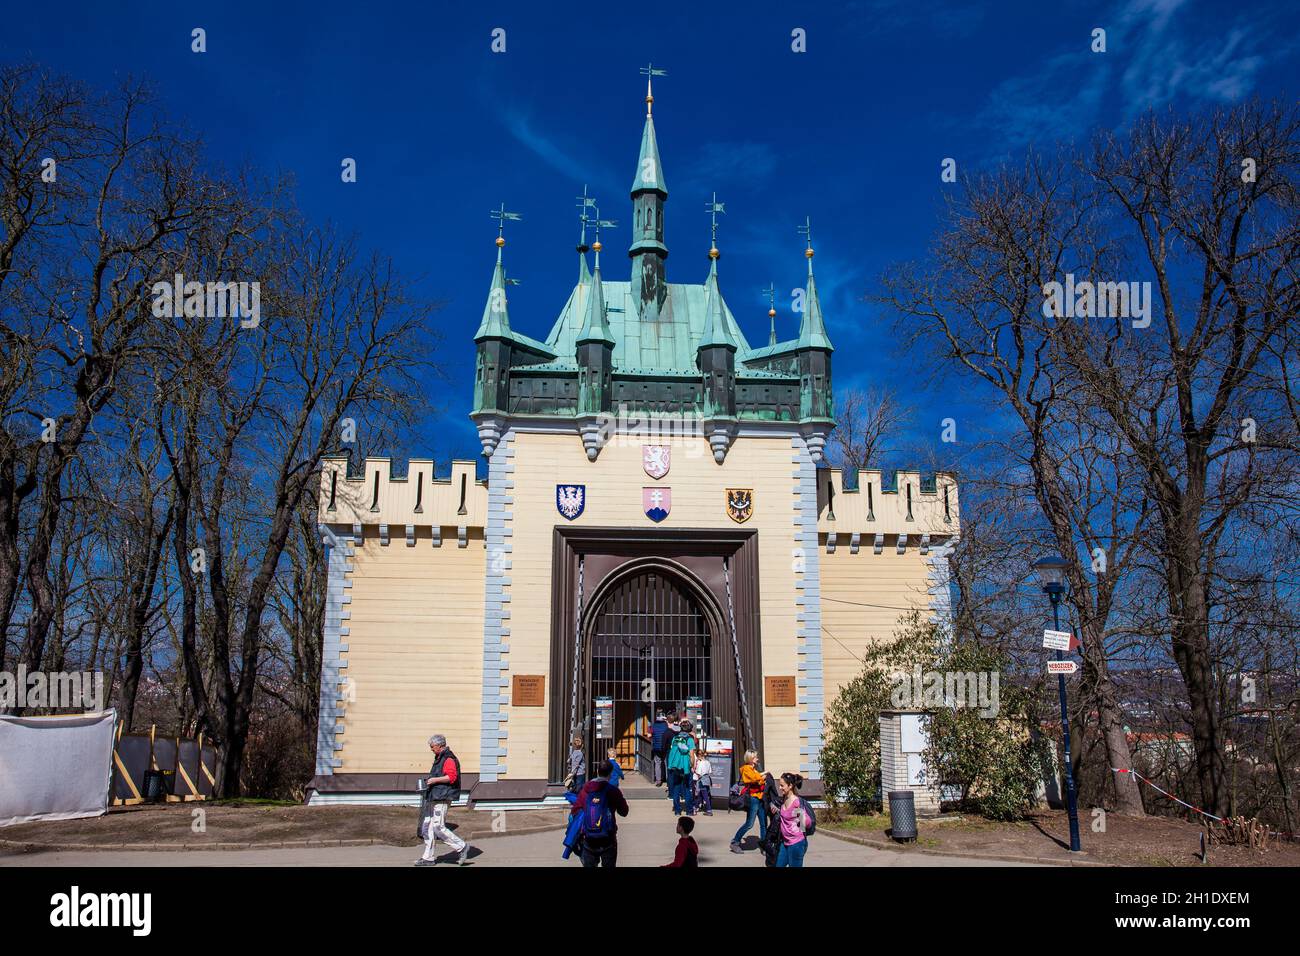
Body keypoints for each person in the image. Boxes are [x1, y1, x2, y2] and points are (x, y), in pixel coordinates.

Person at [415, 734, 470, 866]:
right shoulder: (439, 758)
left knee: (438, 827)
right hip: (434, 796)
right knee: (426, 826)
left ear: (440, 745)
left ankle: (462, 847)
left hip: (443, 797)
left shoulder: (448, 758)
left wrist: (434, 780)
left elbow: (451, 777)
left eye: (432, 747)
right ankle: (428, 858)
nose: (431, 749)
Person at [571, 759, 630, 867]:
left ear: (597, 771)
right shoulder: (612, 790)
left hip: (589, 837)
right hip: (608, 837)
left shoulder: (586, 789)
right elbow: (624, 811)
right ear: (611, 773)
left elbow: (575, 810)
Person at [729, 750, 767, 852]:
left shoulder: (753, 769)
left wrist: (762, 777)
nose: (757, 759)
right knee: (749, 824)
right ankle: (735, 842)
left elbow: (758, 779)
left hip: (760, 798)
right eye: (755, 757)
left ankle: (764, 846)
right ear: (750, 759)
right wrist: (763, 776)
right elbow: (754, 779)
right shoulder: (746, 769)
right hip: (753, 799)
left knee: (763, 824)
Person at [774, 772, 812, 867]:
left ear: (790, 786)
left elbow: (807, 823)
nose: (780, 788)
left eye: (782, 785)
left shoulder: (796, 802)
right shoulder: (784, 799)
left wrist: (801, 818)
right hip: (785, 842)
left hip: (796, 843)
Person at [666, 719, 695, 815]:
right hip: (685, 767)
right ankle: (689, 811)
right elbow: (691, 754)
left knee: (676, 788)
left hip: (675, 766)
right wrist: (693, 766)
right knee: (687, 788)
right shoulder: (689, 739)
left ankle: (677, 811)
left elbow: (673, 751)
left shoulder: (675, 738)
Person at [649, 712, 671, 786]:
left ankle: (658, 781)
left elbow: (649, 735)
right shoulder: (666, 725)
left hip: (656, 748)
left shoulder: (653, 726)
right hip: (665, 747)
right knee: (666, 763)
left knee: (657, 763)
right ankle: (668, 781)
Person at [692, 750, 713, 816]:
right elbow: (710, 771)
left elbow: (698, 773)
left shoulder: (701, 763)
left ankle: (709, 810)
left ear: (698, 755)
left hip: (701, 780)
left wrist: (693, 771)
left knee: (704, 795)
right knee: (700, 795)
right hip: (707, 779)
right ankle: (696, 806)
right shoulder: (708, 762)